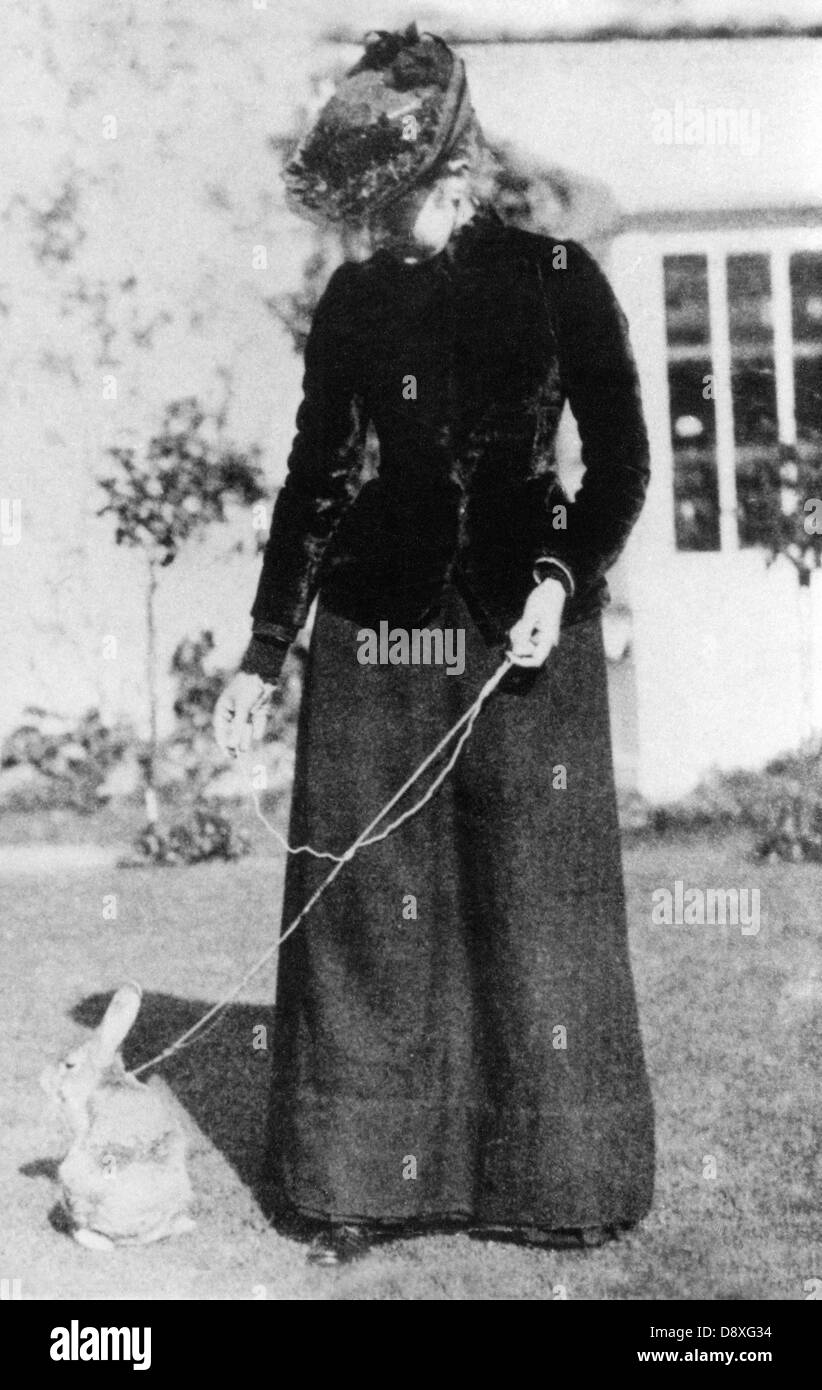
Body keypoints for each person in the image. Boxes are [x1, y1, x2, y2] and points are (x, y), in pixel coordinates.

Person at [214, 24, 655, 1266]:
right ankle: (361, 1184)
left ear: (450, 173)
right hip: (374, 626)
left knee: (537, 896)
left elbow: (619, 460)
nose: (365, 233)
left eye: (385, 205)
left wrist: (565, 577)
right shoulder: (355, 300)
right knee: (365, 902)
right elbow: (314, 480)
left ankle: (558, 1183)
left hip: (527, 620)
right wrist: (262, 651)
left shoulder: (557, 271)